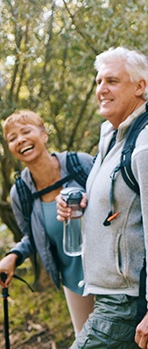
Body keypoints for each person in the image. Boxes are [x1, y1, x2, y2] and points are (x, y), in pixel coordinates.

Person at [56, 47, 148, 349]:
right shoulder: (114, 135)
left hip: (125, 303)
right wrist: (82, 201)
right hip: (109, 295)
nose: (101, 89)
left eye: (112, 81)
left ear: (140, 86)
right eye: (98, 82)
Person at [0, 110, 94, 335]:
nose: (20, 139)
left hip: (110, 272)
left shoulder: (79, 163)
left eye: (25, 131)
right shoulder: (20, 192)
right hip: (73, 282)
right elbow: (32, 237)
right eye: (12, 138)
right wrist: (14, 256)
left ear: (43, 135)